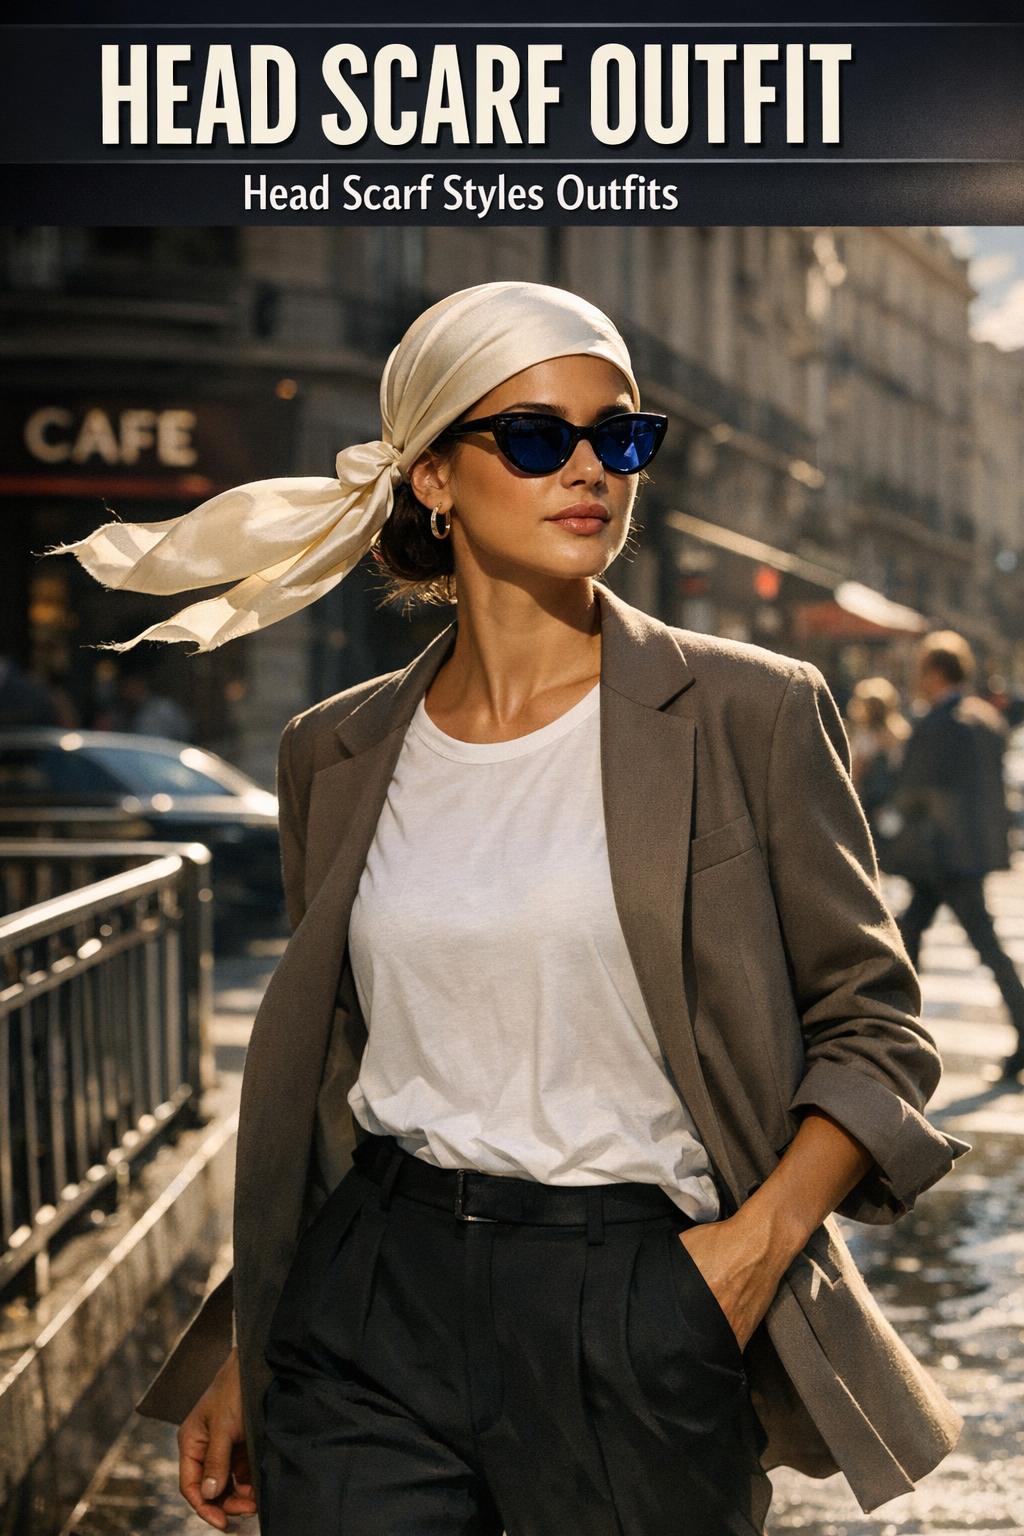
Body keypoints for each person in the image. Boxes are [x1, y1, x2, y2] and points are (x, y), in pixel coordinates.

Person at [52, 282, 969, 1535]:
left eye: (620, 435)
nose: (590, 469)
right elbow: (338, 1079)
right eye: (537, 437)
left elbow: (876, 1031)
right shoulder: (337, 748)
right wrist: (247, 1340)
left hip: (635, 1297)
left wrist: (747, 1256)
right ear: (432, 475)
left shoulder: (746, 712)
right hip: (370, 1297)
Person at [890, 631, 1024, 1083]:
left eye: (921, 670)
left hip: (940, 856)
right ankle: (889, 1035)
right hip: (969, 854)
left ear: (934, 672)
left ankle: (889, 1038)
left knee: (971, 945)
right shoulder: (985, 720)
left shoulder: (936, 724)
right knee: (909, 939)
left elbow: (911, 791)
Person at [846, 676, 911, 841]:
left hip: (871, 805)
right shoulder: (902, 735)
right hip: (896, 804)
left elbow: (856, 775)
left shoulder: (865, 739)